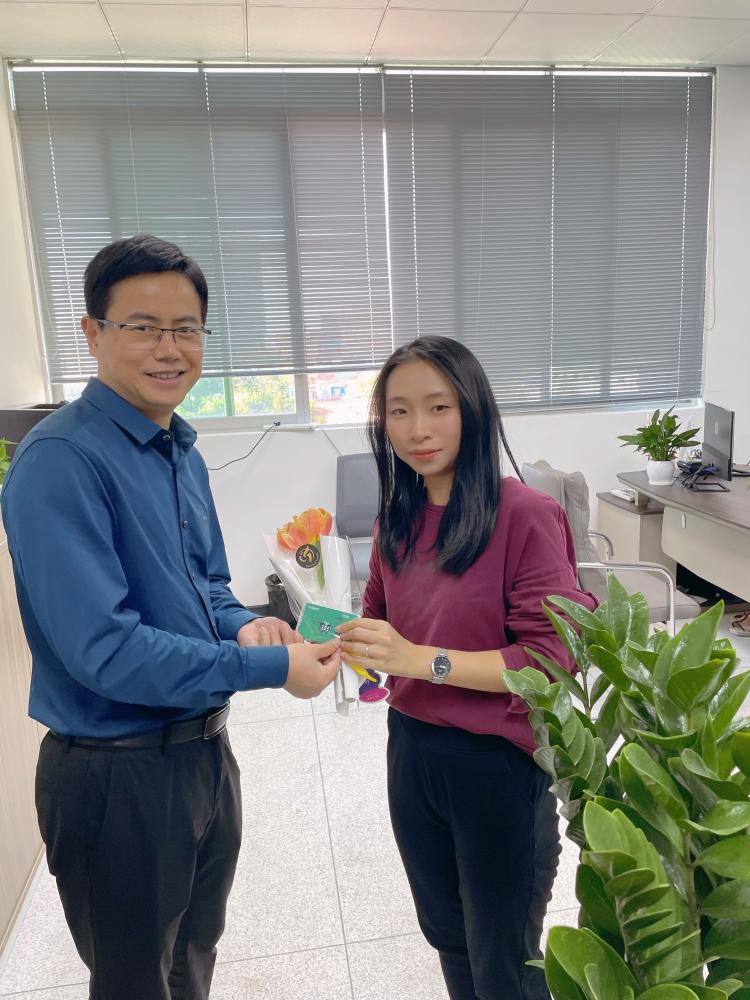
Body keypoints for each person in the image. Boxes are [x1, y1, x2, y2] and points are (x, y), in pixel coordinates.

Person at [0, 235, 341, 1000]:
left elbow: (205, 585)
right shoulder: (61, 462)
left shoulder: (179, 448)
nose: (169, 349)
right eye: (143, 327)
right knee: (133, 982)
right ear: (93, 334)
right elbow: (107, 652)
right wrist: (270, 665)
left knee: (192, 958)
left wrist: (242, 625)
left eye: (186, 329)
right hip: (115, 775)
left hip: (203, 758)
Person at [337, 336, 598, 1000]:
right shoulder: (398, 516)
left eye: (438, 407)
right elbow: (378, 617)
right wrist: (337, 642)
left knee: (504, 961)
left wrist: (420, 660)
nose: (416, 430)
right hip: (412, 752)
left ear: (473, 410)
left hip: (497, 764)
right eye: (398, 411)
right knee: (449, 940)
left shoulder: (526, 515)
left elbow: (550, 659)